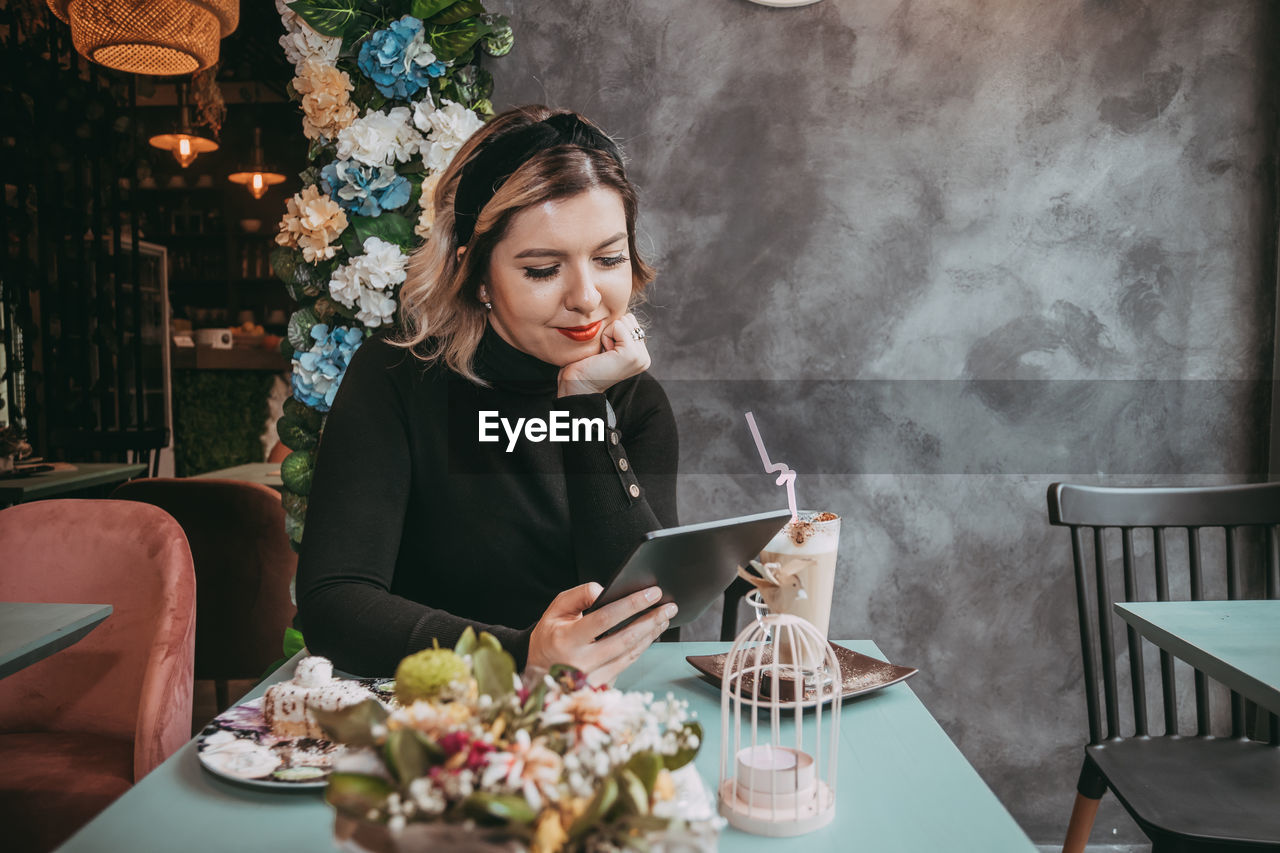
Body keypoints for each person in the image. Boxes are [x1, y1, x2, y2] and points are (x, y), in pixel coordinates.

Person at [296, 105, 679, 684]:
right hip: (428, 724)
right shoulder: (396, 376)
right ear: (476, 275)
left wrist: (583, 408)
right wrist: (521, 655)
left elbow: (651, 617)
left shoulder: (635, 403)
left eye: (608, 259)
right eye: (543, 269)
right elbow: (333, 604)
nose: (586, 297)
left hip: (599, 722)